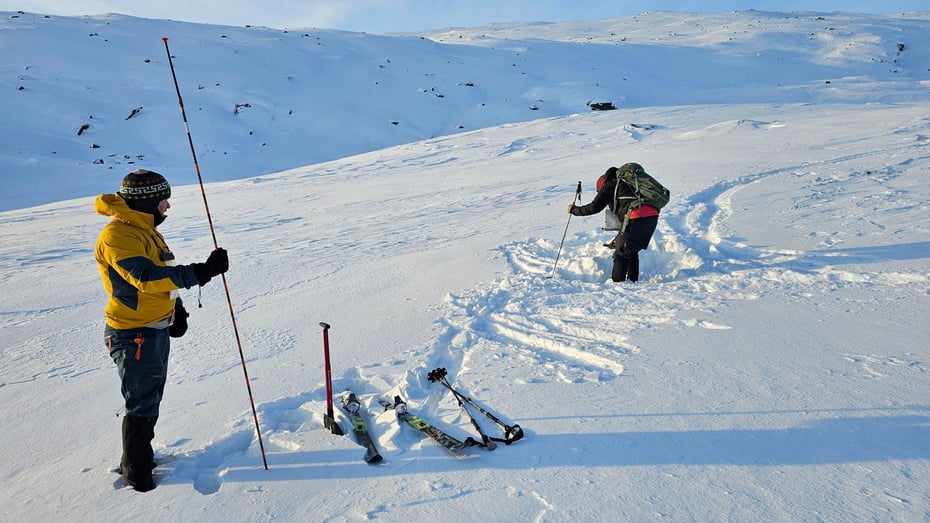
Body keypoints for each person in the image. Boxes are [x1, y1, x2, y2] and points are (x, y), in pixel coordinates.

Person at [95, 169, 229, 492]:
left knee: (150, 399)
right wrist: (202, 272)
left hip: (152, 329)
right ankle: (138, 476)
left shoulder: (145, 230)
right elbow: (147, 277)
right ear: (147, 203)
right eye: (163, 200)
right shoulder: (118, 236)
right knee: (141, 404)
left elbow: (164, 273)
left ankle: (140, 458)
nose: (167, 207)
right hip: (133, 334)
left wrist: (177, 310)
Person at [568, 163, 660, 282]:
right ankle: (633, 282)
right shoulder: (630, 185)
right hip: (651, 218)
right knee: (631, 250)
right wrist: (618, 239)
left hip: (636, 217)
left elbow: (594, 207)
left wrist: (573, 210)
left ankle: (618, 286)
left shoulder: (611, 185)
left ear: (602, 185)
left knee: (620, 254)